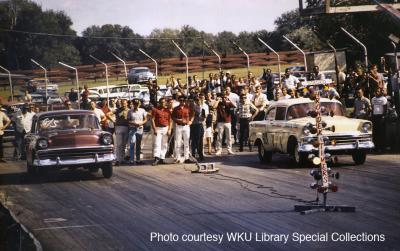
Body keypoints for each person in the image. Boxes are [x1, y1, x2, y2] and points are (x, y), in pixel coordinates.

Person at [172, 96, 194, 163]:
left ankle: (186, 158)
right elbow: (173, 117)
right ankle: (178, 158)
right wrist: (178, 120)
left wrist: (191, 121)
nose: (182, 101)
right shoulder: (176, 109)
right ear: (179, 100)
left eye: (183, 100)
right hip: (179, 126)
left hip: (186, 126)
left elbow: (193, 114)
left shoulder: (188, 108)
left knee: (186, 142)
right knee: (178, 142)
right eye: (181, 100)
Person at [151, 98, 172, 165]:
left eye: (164, 102)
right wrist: (154, 129)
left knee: (164, 144)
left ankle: (162, 158)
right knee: (157, 143)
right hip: (158, 128)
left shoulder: (168, 111)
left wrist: (169, 129)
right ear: (159, 103)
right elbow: (152, 120)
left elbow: (170, 121)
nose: (163, 103)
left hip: (165, 128)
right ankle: (156, 158)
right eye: (161, 102)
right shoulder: (155, 110)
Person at [127, 99, 148, 165]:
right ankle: (131, 160)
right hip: (132, 128)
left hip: (140, 128)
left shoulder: (142, 110)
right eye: (135, 104)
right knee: (132, 143)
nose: (136, 105)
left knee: (138, 144)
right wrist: (133, 123)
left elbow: (145, 119)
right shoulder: (130, 111)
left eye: (137, 104)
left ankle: (138, 160)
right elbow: (128, 120)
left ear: (139, 104)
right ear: (133, 104)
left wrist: (142, 123)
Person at [190, 94, 209, 161]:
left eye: (199, 100)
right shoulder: (193, 107)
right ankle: (193, 154)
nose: (198, 101)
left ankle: (200, 154)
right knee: (194, 141)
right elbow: (192, 115)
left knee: (200, 141)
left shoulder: (203, 109)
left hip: (200, 125)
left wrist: (201, 116)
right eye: (196, 100)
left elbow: (203, 118)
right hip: (194, 125)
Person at [371, 88, 388, 153]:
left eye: (378, 91)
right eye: (376, 91)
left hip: (381, 117)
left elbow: (385, 109)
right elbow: (373, 108)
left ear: (380, 92)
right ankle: (376, 148)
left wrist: (384, 116)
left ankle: (382, 148)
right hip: (375, 117)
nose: (376, 92)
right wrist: (372, 115)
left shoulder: (383, 99)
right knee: (375, 133)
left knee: (381, 133)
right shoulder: (373, 99)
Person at [114, 99, 130, 165]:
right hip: (119, 127)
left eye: (125, 103)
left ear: (127, 104)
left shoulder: (129, 110)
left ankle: (122, 159)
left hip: (126, 127)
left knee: (124, 145)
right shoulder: (117, 110)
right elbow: (108, 114)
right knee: (119, 144)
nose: (124, 104)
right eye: (122, 103)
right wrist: (113, 121)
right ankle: (118, 159)